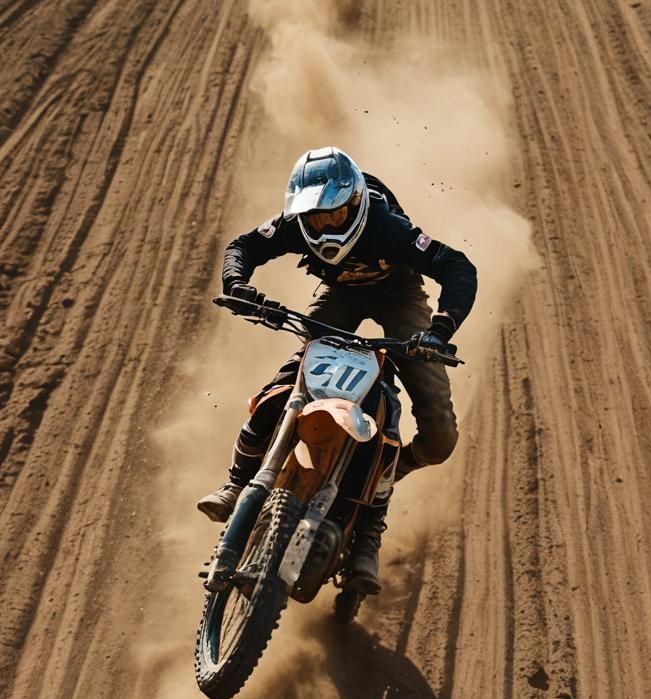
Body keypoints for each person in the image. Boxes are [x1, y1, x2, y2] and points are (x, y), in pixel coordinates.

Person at [199, 146, 477, 593]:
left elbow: (456, 265)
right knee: (284, 387)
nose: (325, 225)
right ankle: (236, 485)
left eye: (335, 214)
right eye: (315, 218)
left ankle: (371, 522)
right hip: (339, 298)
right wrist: (238, 284)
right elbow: (244, 246)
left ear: (357, 202)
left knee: (438, 435)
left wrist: (440, 331)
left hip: (400, 298)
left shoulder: (388, 228)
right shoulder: (294, 224)